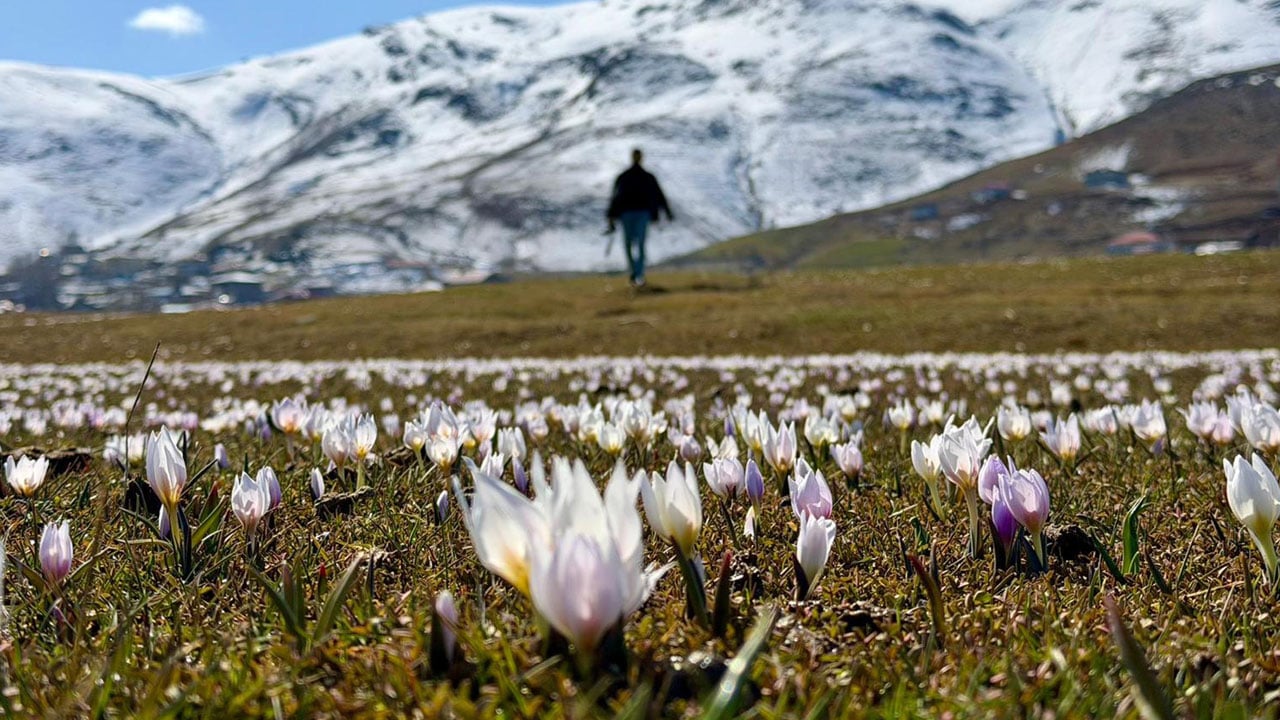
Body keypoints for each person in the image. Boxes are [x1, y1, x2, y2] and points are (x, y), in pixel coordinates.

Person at [607, 149, 674, 287]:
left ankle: (638, 274)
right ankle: (635, 273)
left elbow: (658, 195)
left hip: (641, 214)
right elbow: (615, 197)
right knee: (629, 245)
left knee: (640, 244)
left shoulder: (646, 177)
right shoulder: (625, 177)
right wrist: (611, 216)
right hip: (628, 214)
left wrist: (667, 211)